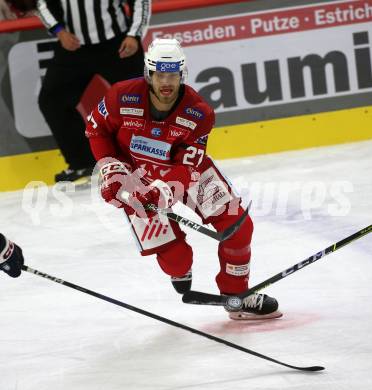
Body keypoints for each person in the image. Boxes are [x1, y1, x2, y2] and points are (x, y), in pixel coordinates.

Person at [86, 38, 282, 321]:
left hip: (186, 173)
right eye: (160, 75)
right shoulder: (120, 97)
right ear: (149, 74)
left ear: (182, 74)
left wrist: (165, 191)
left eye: (173, 75)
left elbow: (189, 167)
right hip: (136, 180)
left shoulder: (199, 113)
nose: (166, 82)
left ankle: (236, 294)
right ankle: (180, 267)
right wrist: (112, 169)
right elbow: (96, 131)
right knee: (177, 263)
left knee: (238, 226)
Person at [35, 0, 151, 183]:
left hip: (118, 43)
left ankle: (156, 156)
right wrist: (59, 31)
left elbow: (141, 1)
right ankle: (82, 162)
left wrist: (134, 35)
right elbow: (42, 3)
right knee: (52, 101)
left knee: (141, 101)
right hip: (74, 47)